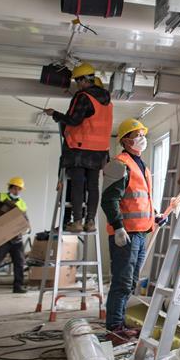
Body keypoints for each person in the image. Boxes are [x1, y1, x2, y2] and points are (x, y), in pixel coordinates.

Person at [100, 118, 162, 341]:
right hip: (125, 235)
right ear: (125, 140)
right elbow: (109, 200)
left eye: (143, 134)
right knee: (122, 282)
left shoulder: (140, 165)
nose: (142, 139)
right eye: (137, 135)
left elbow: (139, 200)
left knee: (130, 281)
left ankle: (118, 323)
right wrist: (117, 227)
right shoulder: (120, 164)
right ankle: (114, 328)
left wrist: (155, 217)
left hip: (139, 233)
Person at [44, 62, 113, 233]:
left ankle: (77, 221)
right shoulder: (108, 101)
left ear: (83, 80)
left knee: (77, 184)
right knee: (93, 185)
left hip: (80, 149)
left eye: (77, 80)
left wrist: (56, 115)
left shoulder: (83, 96)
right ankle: (90, 221)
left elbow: (74, 120)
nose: (76, 84)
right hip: (99, 151)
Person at [0, 177, 29, 293]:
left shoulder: (22, 204)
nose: (17, 191)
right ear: (10, 188)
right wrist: (3, 205)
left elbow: (25, 220)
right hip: (3, 239)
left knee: (19, 263)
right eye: (15, 188)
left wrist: (27, 228)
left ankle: (18, 287)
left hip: (16, 239)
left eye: (19, 189)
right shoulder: (1, 196)